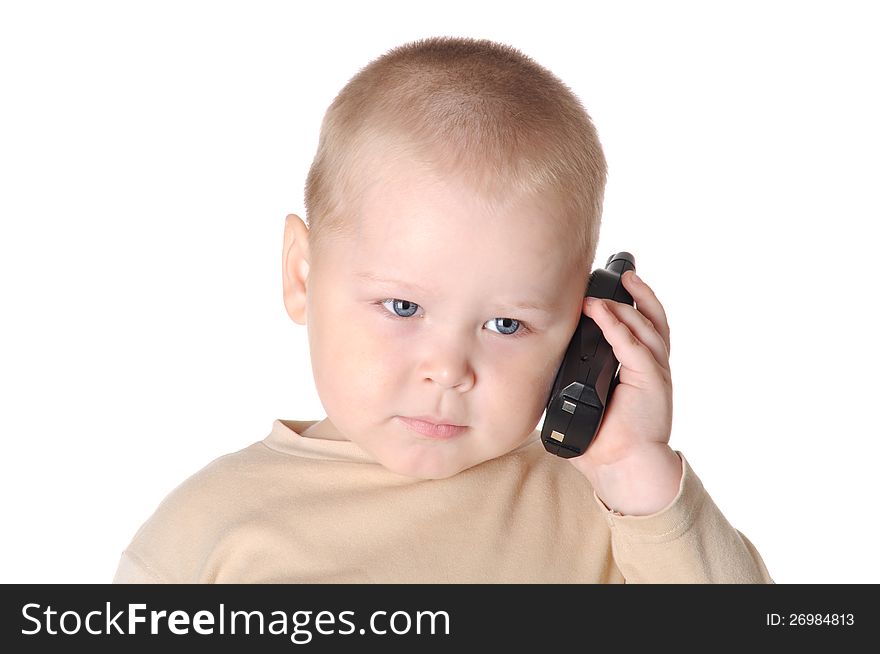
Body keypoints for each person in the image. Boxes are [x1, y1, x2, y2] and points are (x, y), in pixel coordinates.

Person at [113, 36, 773, 583]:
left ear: (582, 330)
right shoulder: (206, 531)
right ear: (301, 275)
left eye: (506, 325)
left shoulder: (614, 515)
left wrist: (637, 472)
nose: (449, 369)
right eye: (403, 306)